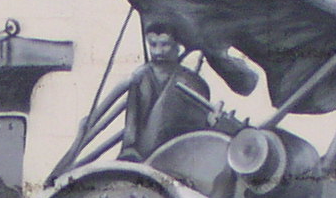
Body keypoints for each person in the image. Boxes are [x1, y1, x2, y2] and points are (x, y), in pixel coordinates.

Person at [51, 19, 218, 180]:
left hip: (177, 157)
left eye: (165, 45)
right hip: (142, 156)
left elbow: (200, 125)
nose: (158, 52)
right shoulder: (141, 77)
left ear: (177, 46)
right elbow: (132, 120)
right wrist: (129, 149)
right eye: (153, 45)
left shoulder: (191, 82)